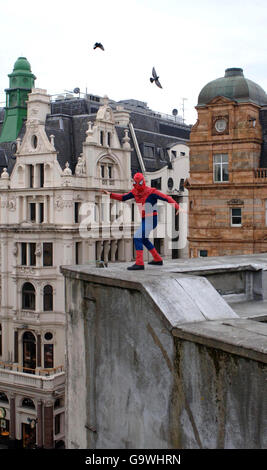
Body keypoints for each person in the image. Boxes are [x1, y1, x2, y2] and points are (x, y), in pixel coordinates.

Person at [101, 172, 180, 270]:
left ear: (143, 182)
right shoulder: (135, 192)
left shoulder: (152, 192)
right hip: (145, 219)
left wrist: (177, 206)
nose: (138, 185)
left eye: (139, 183)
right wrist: (110, 194)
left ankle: (139, 263)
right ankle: (157, 259)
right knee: (143, 239)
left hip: (151, 219)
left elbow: (166, 198)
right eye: (136, 183)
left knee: (137, 236)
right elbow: (123, 197)